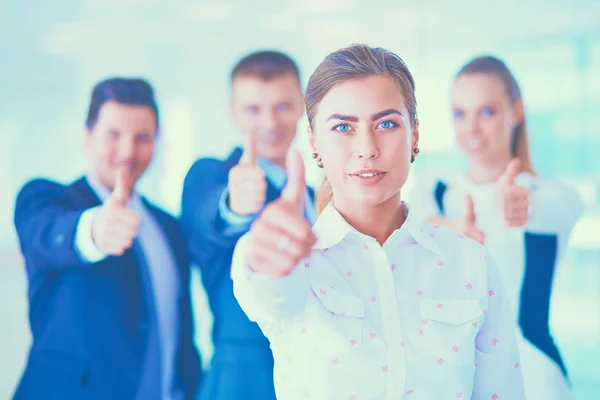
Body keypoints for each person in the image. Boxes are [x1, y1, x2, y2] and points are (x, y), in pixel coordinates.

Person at [230, 44, 526, 399]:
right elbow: (263, 285)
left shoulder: (471, 264)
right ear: (314, 141)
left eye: (386, 124)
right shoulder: (295, 266)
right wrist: (259, 253)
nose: (367, 148)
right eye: (343, 127)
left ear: (414, 135)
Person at [13, 78, 201, 400]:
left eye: (142, 137)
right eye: (113, 135)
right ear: (87, 137)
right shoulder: (48, 199)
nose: (128, 151)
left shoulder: (168, 227)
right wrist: (94, 230)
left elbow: (180, 332)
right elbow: (44, 234)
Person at [408, 55, 583, 399]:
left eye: (486, 112)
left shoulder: (551, 196)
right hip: (454, 379)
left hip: (536, 379)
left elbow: (555, 209)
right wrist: (443, 234)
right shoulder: (434, 190)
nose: (471, 129)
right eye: (460, 114)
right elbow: (416, 227)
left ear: (515, 112)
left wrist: (524, 207)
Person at [180, 50, 314, 400]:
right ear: (232, 112)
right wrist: (237, 206)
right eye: (253, 109)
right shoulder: (212, 176)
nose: (270, 123)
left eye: (283, 106)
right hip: (243, 383)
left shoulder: (317, 195)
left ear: (302, 104)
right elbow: (211, 216)